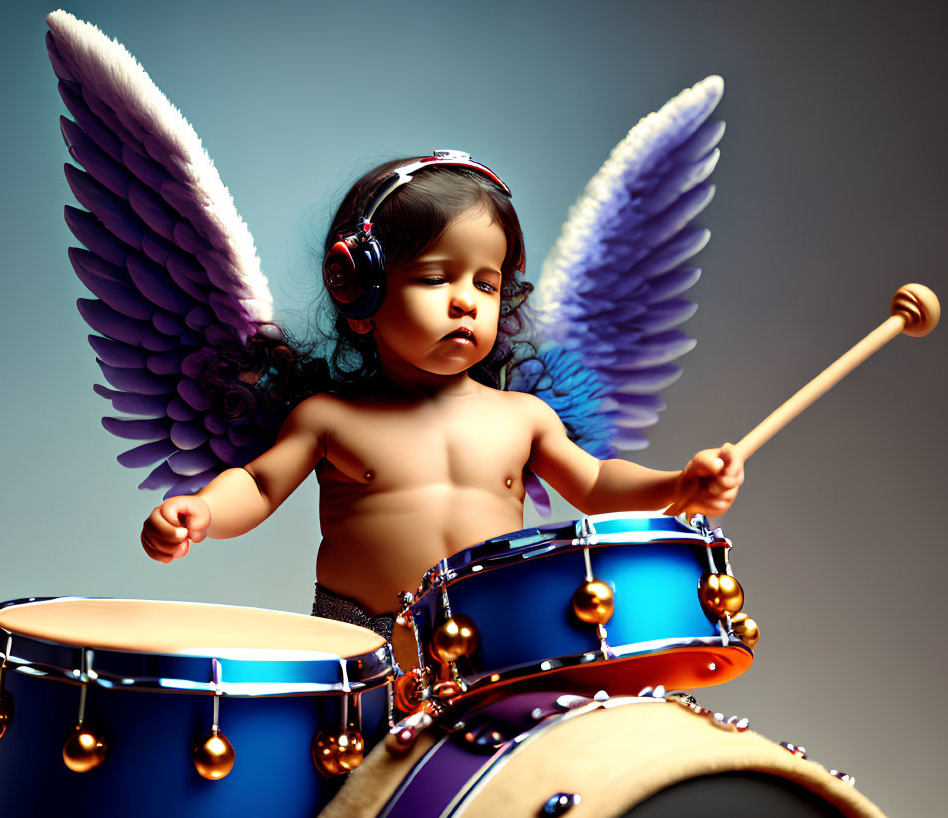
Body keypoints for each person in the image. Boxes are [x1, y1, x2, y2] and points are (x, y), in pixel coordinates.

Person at [140, 153, 743, 664]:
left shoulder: (522, 417)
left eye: (486, 283)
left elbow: (596, 482)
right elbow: (257, 485)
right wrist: (202, 510)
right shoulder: (330, 418)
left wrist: (677, 483)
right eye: (435, 278)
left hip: (499, 645)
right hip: (362, 646)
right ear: (361, 294)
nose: (467, 303)